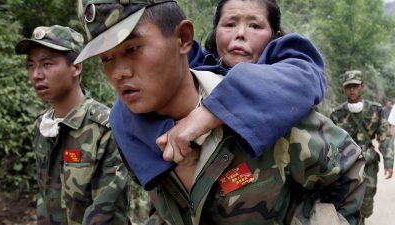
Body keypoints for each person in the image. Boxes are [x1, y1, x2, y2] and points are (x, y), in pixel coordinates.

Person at [75, 1, 365, 224]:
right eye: (106, 58)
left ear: (183, 38)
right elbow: (164, 204)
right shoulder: (130, 129)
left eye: (133, 48)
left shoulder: (272, 108)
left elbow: (348, 168)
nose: (118, 73)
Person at [15, 25, 130, 224]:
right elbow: (46, 196)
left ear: (76, 66)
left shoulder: (106, 128)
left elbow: (107, 213)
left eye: (47, 64)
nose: (36, 75)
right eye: (31, 65)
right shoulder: (43, 127)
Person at [330, 70, 394, 223]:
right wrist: (331, 168)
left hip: (368, 164)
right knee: (346, 201)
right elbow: (332, 143)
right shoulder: (336, 113)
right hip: (346, 165)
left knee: (367, 202)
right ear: (344, 89)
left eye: (355, 86)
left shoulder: (375, 110)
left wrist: (389, 162)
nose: (352, 90)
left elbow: (385, 137)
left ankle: (362, 218)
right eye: (348, 87)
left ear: (362, 87)